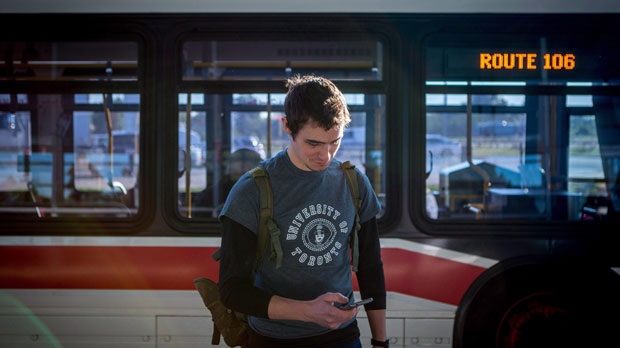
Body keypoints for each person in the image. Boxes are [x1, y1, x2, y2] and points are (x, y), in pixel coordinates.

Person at [218, 75, 388, 348]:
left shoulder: (354, 183)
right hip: (273, 339)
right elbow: (231, 290)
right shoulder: (251, 190)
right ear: (287, 127)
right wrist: (307, 311)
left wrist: (381, 341)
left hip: (343, 338)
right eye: (313, 144)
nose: (326, 155)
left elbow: (370, 267)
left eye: (335, 141)